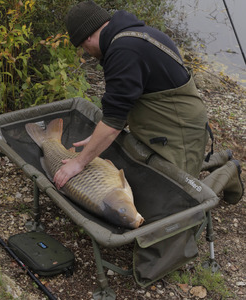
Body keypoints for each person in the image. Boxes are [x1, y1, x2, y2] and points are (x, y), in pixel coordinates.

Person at [53, 1, 243, 204]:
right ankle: (219, 158)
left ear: (88, 35)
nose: (86, 52)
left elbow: (112, 124)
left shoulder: (123, 51)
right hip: (159, 124)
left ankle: (229, 171)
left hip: (181, 129)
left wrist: (79, 163)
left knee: (183, 198)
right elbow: (121, 105)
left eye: (83, 46)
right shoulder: (129, 36)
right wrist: (97, 136)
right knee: (155, 172)